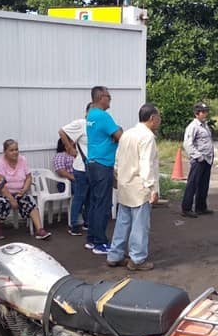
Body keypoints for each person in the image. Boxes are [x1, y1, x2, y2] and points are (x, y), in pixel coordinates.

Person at [106, 104, 160, 271]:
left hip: (125, 184)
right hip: (139, 186)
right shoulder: (147, 137)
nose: (159, 120)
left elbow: (117, 160)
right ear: (152, 118)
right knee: (140, 225)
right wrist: (152, 188)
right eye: (158, 117)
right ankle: (137, 259)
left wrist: (117, 177)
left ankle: (114, 255)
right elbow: (146, 164)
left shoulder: (127, 134)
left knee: (123, 222)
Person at [85, 86, 122, 255]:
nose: (110, 99)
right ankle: (100, 243)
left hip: (92, 163)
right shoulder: (103, 116)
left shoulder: (91, 114)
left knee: (93, 202)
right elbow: (120, 135)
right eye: (108, 96)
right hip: (103, 164)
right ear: (101, 97)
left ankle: (92, 239)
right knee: (102, 204)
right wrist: (118, 131)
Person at [0, 139, 51, 240]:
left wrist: (24, 189)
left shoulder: (22, 160)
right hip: (3, 192)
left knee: (29, 200)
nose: (15, 152)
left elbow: (28, 177)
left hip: (19, 191)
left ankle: (39, 230)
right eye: (11, 150)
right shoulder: (0, 163)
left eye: (16, 149)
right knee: (2, 202)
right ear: (5, 152)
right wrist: (11, 199)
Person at [59, 103, 92, 237]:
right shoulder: (80, 123)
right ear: (87, 112)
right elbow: (62, 131)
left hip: (94, 167)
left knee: (90, 197)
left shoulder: (98, 125)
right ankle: (73, 224)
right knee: (80, 196)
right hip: (81, 166)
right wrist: (69, 148)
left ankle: (87, 222)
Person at [181, 102, 215, 218]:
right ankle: (186, 208)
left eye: (206, 111)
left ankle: (201, 207)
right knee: (193, 184)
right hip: (199, 160)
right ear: (197, 113)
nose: (206, 114)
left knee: (203, 184)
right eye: (203, 112)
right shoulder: (193, 127)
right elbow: (187, 144)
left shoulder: (204, 125)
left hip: (207, 159)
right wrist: (198, 156)